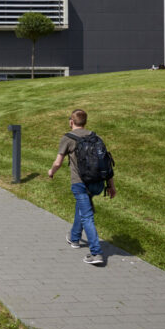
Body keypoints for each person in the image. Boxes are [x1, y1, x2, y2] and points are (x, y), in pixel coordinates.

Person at [48, 109, 117, 266]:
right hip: (97, 183)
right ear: (85, 122)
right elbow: (105, 162)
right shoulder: (96, 137)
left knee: (87, 216)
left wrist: (51, 172)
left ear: (71, 122)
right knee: (82, 208)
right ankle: (74, 238)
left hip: (80, 183)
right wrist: (111, 186)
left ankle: (96, 252)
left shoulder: (68, 138)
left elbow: (58, 162)